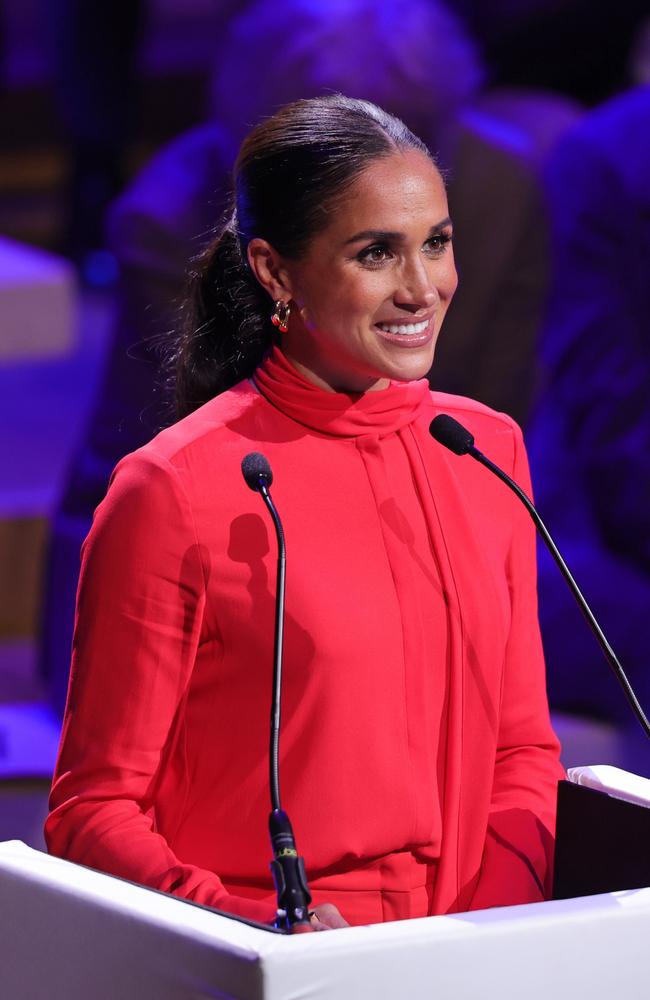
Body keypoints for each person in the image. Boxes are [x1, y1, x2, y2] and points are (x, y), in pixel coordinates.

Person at [45, 95, 563, 929]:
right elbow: (92, 810)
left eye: (436, 242)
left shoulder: (485, 451)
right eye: (376, 254)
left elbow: (520, 751)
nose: (422, 287)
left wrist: (489, 938)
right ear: (275, 272)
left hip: (472, 947)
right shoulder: (173, 491)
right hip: (272, 959)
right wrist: (250, 930)